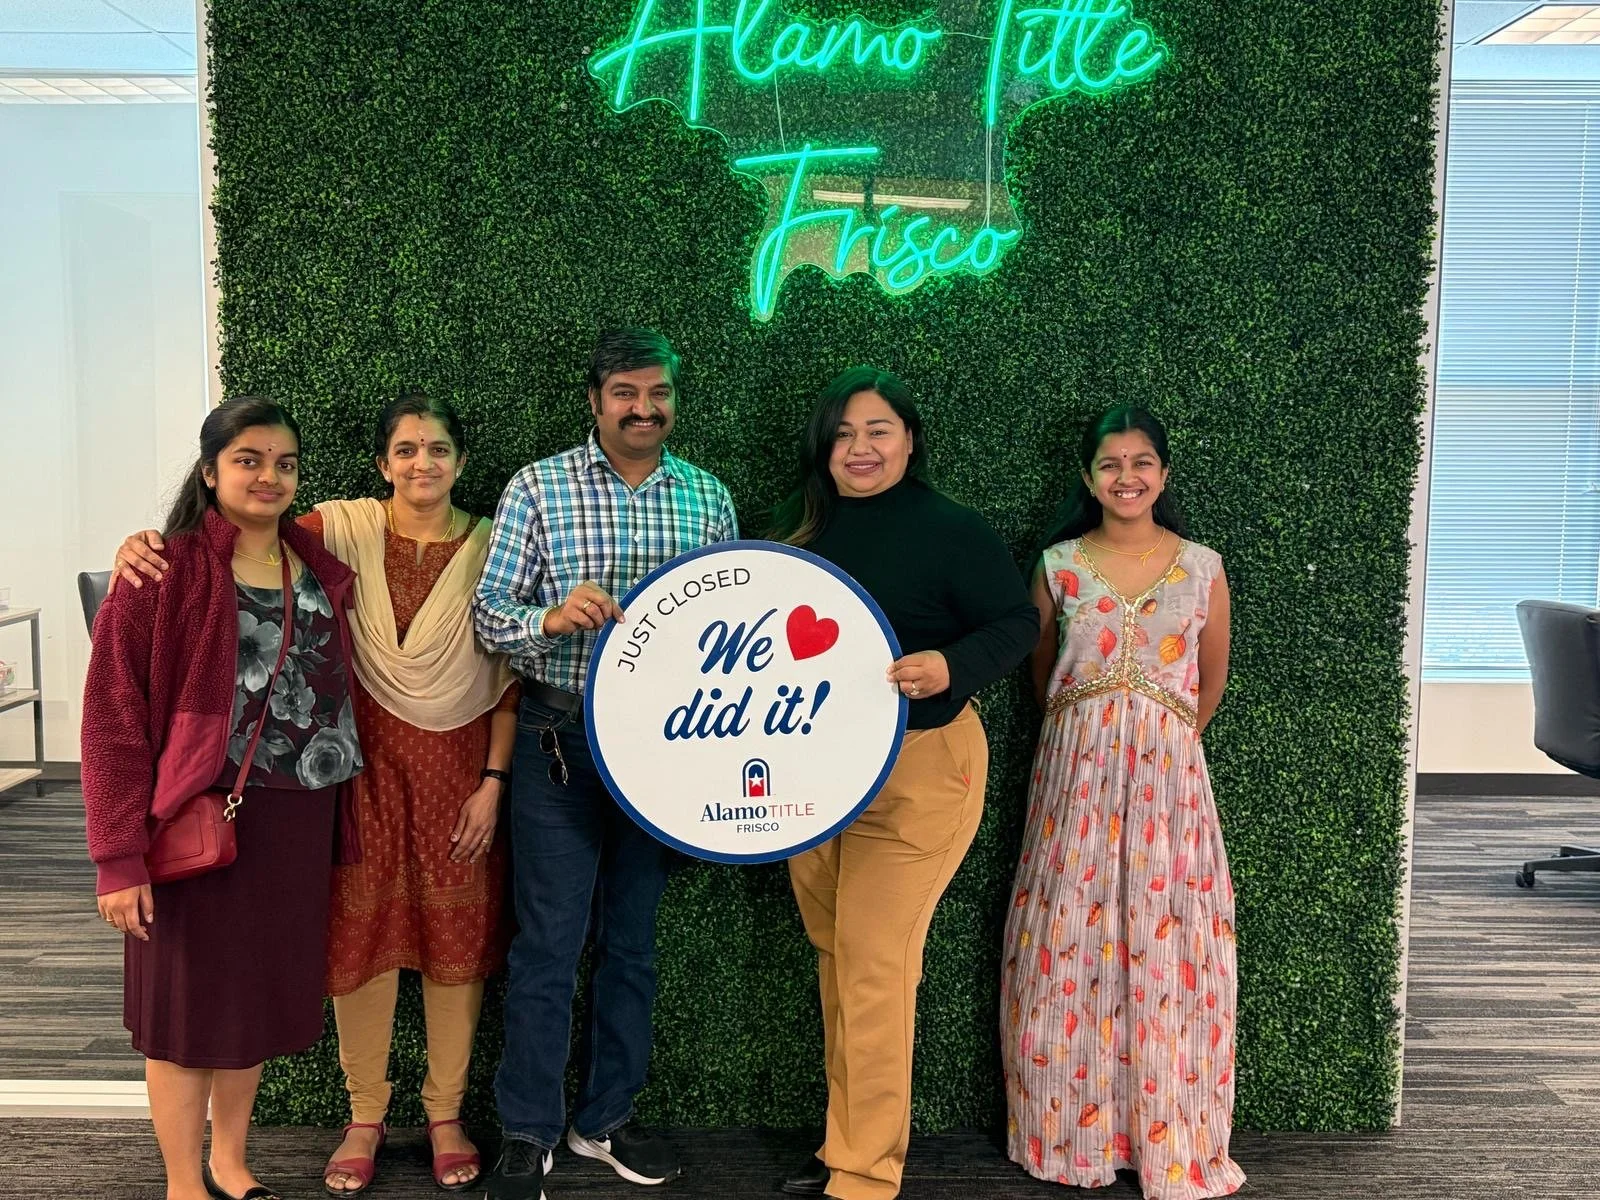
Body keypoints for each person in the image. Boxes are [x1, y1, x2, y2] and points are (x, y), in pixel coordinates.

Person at [111, 393, 519, 1194]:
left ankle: (269, 1155)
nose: (423, 464)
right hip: (272, 796)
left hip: (371, 796)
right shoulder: (250, 551)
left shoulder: (373, 555)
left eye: (439, 449)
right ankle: (259, 1155)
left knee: (405, 960)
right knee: (248, 981)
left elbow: (504, 669)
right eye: (405, 449)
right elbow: (119, 705)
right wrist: (140, 542)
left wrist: (494, 781)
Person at [473, 328, 738, 1200]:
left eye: (657, 391)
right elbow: (489, 617)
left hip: (666, 752)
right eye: (625, 392)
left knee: (632, 946)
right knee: (546, 944)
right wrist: (548, 619)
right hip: (559, 743)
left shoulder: (708, 499)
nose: (642, 407)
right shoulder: (537, 487)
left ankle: (604, 1120)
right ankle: (527, 1131)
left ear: (674, 400)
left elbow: (731, 634)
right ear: (594, 401)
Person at [767, 367, 1038, 1200]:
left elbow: (1018, 623)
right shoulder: (796, 531)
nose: (860, 448)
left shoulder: (951, 529)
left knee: (877, 965)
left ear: (910, 440)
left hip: (920, 770)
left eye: (878, 430)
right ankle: (847, 1140)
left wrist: (949, 663)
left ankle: (864, 1173)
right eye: (844, 434)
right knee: (837, 959)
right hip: (814, 777)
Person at [84, 397, 364, 1200]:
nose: (268, 476)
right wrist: (116, 857)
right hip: (192, 812)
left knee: (249, 1002)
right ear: (209, 472)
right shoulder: (162, 571)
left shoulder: (315, 564)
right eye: (248, 459)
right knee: (182, 1009)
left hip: (294, 816)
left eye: (285, 463)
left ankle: (232, 1164)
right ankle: (182, 1181)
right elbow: (111, 719)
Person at [999, 405, 1243, 1200]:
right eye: (1110, 463)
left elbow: (1209, 682)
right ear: (1087, 476)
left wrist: (1157, 739)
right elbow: (1041, 672)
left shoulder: (1203, 566)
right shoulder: (1059, 563)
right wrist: (1094, 730)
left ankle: (1169, 1139)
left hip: (1171, 783)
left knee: (1172, 944)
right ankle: (1072, 1136)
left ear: (1163, 474)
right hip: (1074, 774)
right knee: (1069, 940)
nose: (1127, 477)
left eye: (1142, 462)